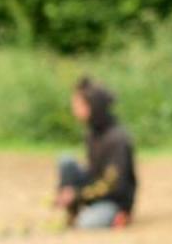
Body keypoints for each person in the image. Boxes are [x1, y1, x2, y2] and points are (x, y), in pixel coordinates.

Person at [56, 77, 136, 228]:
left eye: (78, 104)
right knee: (66, 161)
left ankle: (120, 215)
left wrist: (78, 195)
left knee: (87, 223)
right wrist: (66, 191)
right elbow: (93, 171)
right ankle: (74, 209)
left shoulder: (117, 139)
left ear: (92, 106)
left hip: (114, 198)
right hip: (95, 189)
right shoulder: (92, 134)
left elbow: (113, 184)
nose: (73, 108)